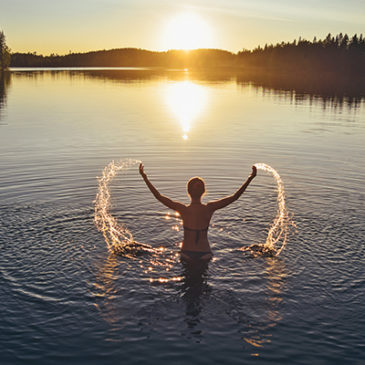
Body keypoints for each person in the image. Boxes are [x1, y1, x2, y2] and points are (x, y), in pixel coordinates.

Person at [139, 163, 257, 262]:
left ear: (188, 191)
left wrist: (145, 177)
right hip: (205, 253)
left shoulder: (183, 209)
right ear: (204, 191)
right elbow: (235, 197)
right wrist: (250, 178)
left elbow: (158, 196)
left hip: (186, 253)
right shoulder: (209, 208)